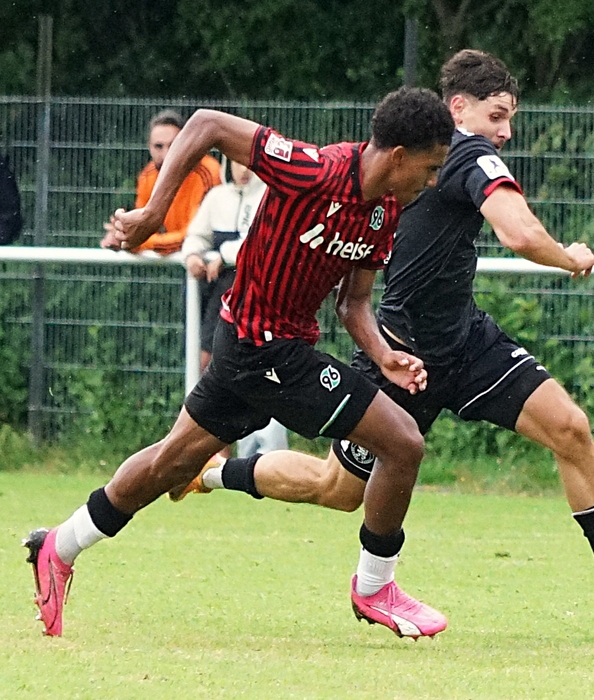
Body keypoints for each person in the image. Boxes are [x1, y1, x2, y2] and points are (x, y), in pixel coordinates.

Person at [181, 49, 594, 616]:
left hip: (466, 343)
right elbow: (519, 233)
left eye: (510, 118)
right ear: (458, 108)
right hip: (402, 356)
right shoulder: (466, 152)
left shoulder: (445, 157)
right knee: (336, 490)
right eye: (497, 116)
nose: (506, 132)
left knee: (569, 426)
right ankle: (216, 474)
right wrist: (569, 257)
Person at [24, 86, 456, 639]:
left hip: (256, 350)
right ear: (397, 156)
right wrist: (154, 213)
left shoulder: (384, 211)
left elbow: (353, 304)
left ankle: (58, 547)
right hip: (262, 347)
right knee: (403, 442)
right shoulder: (313, 170)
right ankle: (375, 587)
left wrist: (384, 355)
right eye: (430, 167)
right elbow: (206, 123)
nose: (433, 181)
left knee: (169, 465)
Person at [175, 157, 287, 481]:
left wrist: (224, 256)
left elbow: (263, 242)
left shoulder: (271, 195)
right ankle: (214, 453)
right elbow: (196, 235)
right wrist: (193, 255)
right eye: (237, 163)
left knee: (257, 369)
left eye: (248, 162)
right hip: (223, 293)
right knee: (208, 364)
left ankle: (262, 451)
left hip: (260, 292)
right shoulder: (217, 197)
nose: (243, 169)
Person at [99, 109, 221, 255]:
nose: (166, 154)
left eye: (173, 145)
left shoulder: (207, 172)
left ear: (186, 143)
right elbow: (143, 228)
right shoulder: (148, 176)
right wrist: (123, 234)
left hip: (211, 257)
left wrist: (137, 242)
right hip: (186, 258)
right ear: (149, 147)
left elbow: (194, 237)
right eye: (158, 146)